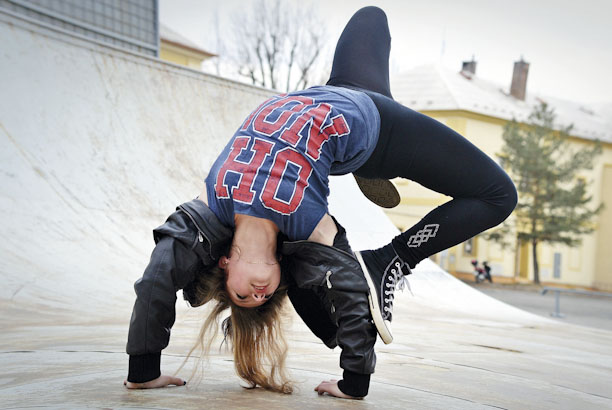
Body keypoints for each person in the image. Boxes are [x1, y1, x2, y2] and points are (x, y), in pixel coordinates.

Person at [124, 6, 517, 399]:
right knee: (499, 195)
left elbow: (158, 278)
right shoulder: (307, 226)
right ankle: (392, 259)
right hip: (381, 130)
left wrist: (143, 367)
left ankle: (361, 169)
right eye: (265, 296)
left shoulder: (210, 207)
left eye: (243, 294)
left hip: (337, 90)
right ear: (281, 277)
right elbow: (350, 291)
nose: (259, 292)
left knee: (370, 15)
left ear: (225, 264)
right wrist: (353, 381)